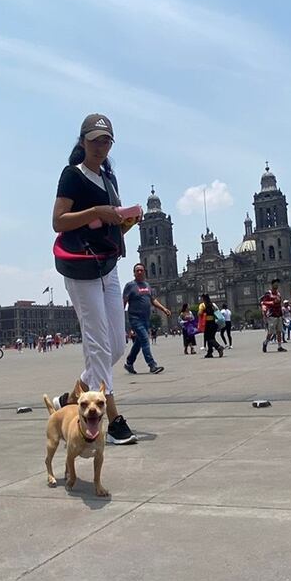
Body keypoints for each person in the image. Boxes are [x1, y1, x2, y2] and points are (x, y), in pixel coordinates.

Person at [48, 113, 137, 445]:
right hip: (82, 268)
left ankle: (71, 399)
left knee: (116, 345)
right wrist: (96, 213)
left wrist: (124, 223)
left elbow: (108, 223)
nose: (101, 146)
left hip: (108, 266)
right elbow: (58, 221)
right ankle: (112, 421)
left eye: (106, 141)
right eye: (95, 140)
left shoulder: (109, 179)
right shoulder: (72, 175)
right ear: (83, 141)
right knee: (98, 346)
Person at [123, 262, 171, 374]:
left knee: (139, 342)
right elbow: (124, 302)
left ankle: (129, 363)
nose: (139, 272)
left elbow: (153, 300)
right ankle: (152, 365)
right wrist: (120, 318)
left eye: (141, 270)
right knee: (145, 339)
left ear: (145, 272)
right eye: (137, 270)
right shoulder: (130, 286)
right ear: (134, 273)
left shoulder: (147, 286)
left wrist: (164, 309)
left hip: (145, 318)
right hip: (135, 318)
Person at [260, 279, 286, 353]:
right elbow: (264, 302)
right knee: (271, 332)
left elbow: (280, 304)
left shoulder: (278, 294)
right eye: (275, 284)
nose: (276, 285)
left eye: (277, 284)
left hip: (279, 314)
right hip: (272, 315)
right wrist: (273, 302)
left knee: (279, 331)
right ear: (272, 285)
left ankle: (279, 346)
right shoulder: (268, 293)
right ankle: (265, 342)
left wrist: (282, 314)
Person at [197, 293, 225, 358]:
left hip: (207, 323)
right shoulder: (213, 304)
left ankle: (218, 347)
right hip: (214, 323)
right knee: (212, 337)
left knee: (208, 338)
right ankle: (210, 352)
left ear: (203, 299)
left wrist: (199, 313)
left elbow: (200, 313)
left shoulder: (202, 305)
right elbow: (217, 312)